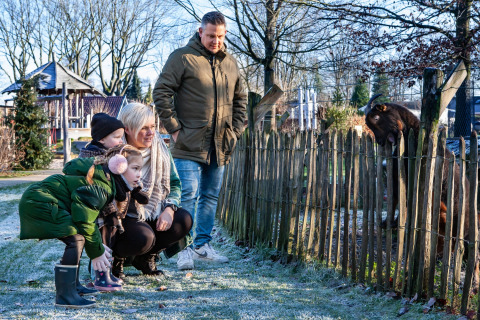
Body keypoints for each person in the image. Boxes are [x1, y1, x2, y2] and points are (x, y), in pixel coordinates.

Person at [153, 11, 247, 270]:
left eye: (220, 36)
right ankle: (182, 249)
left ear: (224, 34)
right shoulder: (182, 57)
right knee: (187, 195)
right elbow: (161, 92)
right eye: (210, 36)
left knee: (210, 196)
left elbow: (241, 100)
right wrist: (173, 128)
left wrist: (235, 131)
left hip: (220, 144)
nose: (215, 41)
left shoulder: (231, 63)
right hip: (187, 143)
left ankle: (202, 246)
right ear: (200, 32)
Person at [18, 144, 143, 308]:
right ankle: (65, 296)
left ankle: (73, 287)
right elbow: (84, 221)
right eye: (135, 168)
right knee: (76, 238)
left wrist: (97, 247)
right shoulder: (101, 186)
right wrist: (96, 253)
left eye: (141, 169)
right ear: (119, 166)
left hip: (40, 200)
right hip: (39, 203)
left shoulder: (104, 179)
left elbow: (87, 219)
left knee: (79, 237)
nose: (139, 175)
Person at [112, 102, 192, 277]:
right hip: (124, 218)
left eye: (153, 127)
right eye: (143, 128)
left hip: (153, 209)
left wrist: (170, 208)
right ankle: (114, 259)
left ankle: (146, 259)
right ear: (127, 129)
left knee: (183, 219)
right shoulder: (116, 155)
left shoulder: (161, 150)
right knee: (143, 237)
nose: (151, 133)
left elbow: (175, 183)